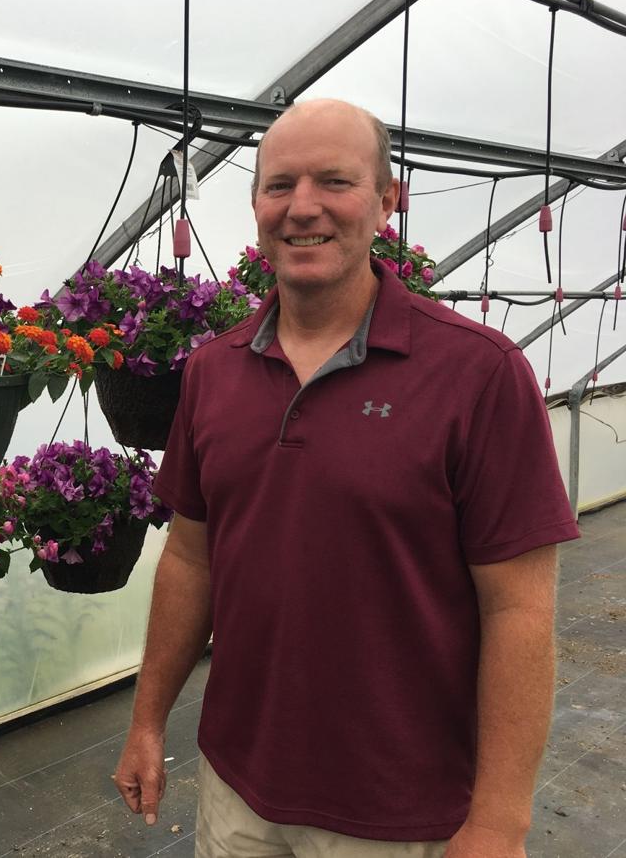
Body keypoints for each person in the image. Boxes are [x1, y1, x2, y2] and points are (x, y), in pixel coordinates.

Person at [113, 98, 579, 858]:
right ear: (256, 204)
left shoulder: (479, 375)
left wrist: (499, 820)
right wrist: (146, 722)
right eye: (279, 185)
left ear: (387, 199)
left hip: (402, 810)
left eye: (335, 181)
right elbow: (191, 559)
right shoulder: (212, 371)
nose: (303, 209)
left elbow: (519, 611)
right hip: (238, 790)